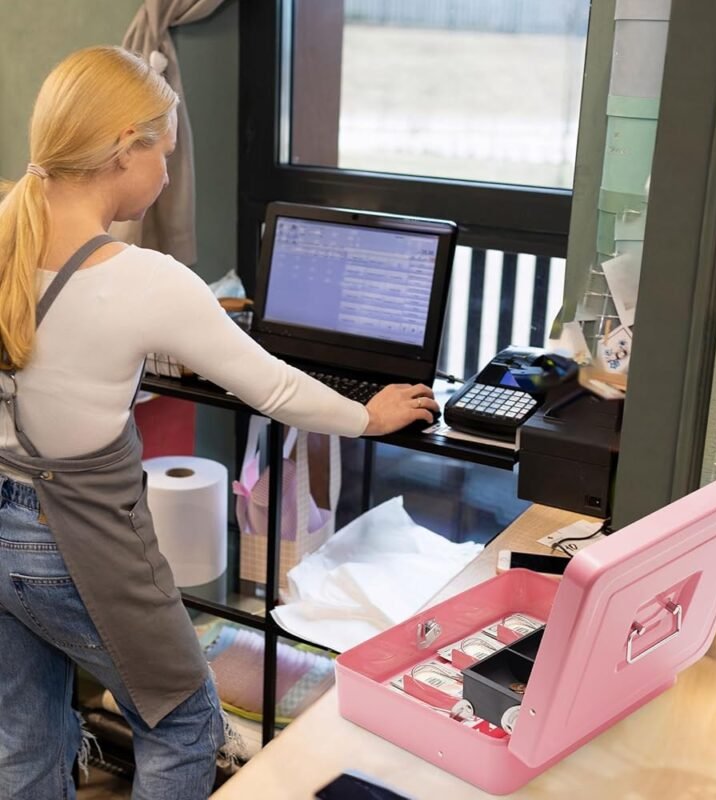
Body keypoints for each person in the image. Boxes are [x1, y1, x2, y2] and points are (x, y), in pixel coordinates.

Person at [0, 45, 438, 800]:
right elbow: (272, 386)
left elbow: (52, 373)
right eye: (162, 154)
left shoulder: (9, 234)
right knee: (184, 722)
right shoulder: (146, 279)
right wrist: (366, 416)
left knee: (25, 728)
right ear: (123, 150)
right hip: (75, 540)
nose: (168, 175)